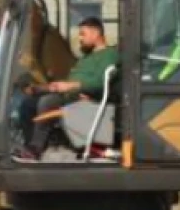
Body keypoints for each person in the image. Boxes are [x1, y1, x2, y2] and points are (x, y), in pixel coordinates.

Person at [14, 18, 119, 160]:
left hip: (87, 97)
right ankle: (29, 145)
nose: (80, 38)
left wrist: (70, 86)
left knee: (48, 102)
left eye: (83, 34)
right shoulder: (85, 58)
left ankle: (36, 148)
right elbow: (70, 83)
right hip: (70, 95)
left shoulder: (109, 55)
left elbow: (100, 82)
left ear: (96, 33)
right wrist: (42, 88)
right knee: (28, 103)